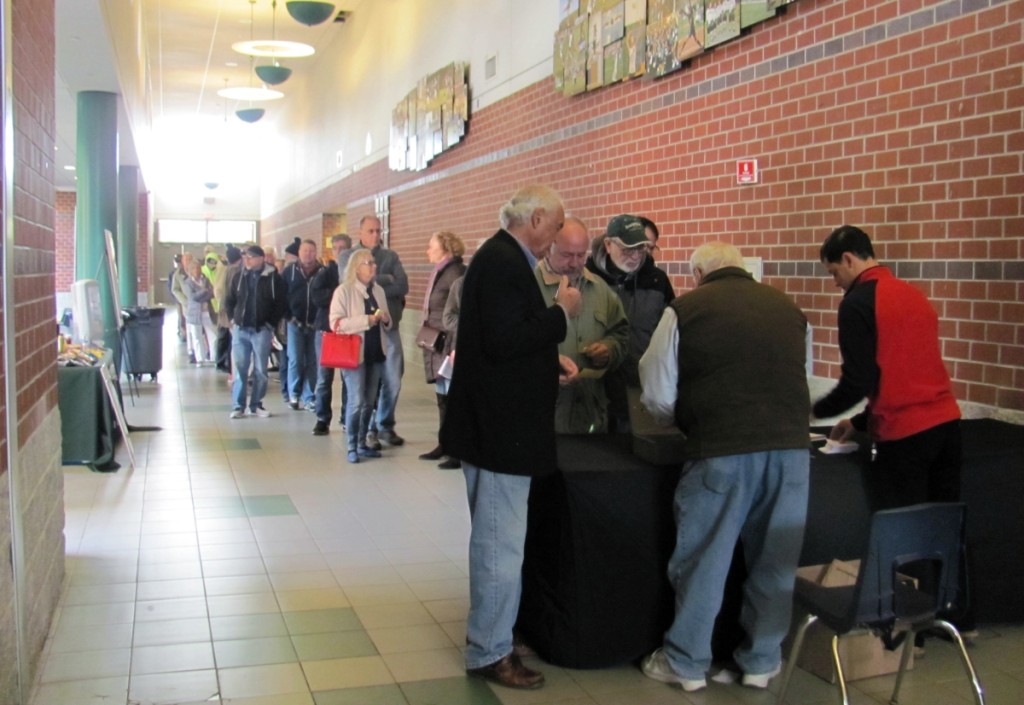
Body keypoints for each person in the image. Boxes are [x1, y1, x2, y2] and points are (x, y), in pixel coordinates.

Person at [638, 241, 809, 693]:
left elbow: (655, 388)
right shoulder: (787, 307)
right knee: (775, 562)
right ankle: (760, 661)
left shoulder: (687, 308)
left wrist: (686, 419)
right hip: (792, 450)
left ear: (698, 273)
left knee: (704, 558)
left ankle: (686, 662)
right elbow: (798, 375)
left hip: (721, 450)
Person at [441, 184, 582, 690]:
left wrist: (550, 359)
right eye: (558, 223)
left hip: (496, 429)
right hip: (500, 434)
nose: (559, 236)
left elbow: (505, 339)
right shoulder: (503, 261)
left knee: (499, 541)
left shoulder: (500, 257)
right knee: (500, 546)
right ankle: (490, 651)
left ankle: (496, 632)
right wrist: (561, 312)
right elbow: (505, 341)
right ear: (537, 217)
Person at [810, 225, 971, 645]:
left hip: (905, 435)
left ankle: (903, 630)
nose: (835, 283)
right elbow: (904, 370)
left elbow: (859, 379)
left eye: (833, 273)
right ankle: (959, 618)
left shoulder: (858, 303)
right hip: (946, 424)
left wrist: (813, 411)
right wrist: (861, 423)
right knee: (943, 524)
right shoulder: (913, 295)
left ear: (848, 259)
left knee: (901, 531)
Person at [534, 216, 629, 433]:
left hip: (590, 415)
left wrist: (609, 349)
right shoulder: (529, 287)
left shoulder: (600, 289)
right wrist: (548, 362)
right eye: (567, 255)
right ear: (548, 249)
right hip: (544, 417)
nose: (575, 263)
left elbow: (621, 333)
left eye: (581, 255)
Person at [586, 214, 674, 431]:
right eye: (627, 249)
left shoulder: (657, 281)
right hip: (592, 391)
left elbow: (670, 336)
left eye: (641, 249)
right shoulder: (586, 279)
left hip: (638, 391)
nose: (635, 256)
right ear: (608, 244)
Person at [329, 249, 392, 463]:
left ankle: (362, 442)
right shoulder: (343, 291)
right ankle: (351, 446)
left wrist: (384, 319)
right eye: (369, 263)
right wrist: (366, 320)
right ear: (357, 267)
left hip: (376, 352)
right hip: (353, 354)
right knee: (356, 401)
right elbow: (336, 324)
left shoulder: (379, 291)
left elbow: (388, 321)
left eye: (374, 263)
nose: (374, 266)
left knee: (369, 402)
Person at [353, 215, 409, 450]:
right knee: (368, 383)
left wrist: (375, 281)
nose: (376, 235)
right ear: (361, 232)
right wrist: (386, 278)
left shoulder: (390, 256)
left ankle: (385, 423)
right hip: (364, 331)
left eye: (378, 231)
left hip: (389, 327)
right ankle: (367, 430)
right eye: (371, 231)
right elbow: (351, 285)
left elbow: (403, 285)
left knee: (393, 378)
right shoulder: (350, 256)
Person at [418, 231, 466, 469]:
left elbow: (459, 312)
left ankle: (456, 449)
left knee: (452, 396)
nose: (428, 250)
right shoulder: (440, 270)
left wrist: (456, 347)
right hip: (437, 342)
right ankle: (444, 443)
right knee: (442, 395)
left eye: (431, 246)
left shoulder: (455, 273)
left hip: (449, 343)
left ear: (445, 248)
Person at [223, 245, 287, 419]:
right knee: (240, 368)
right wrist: (233, 319)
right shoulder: (239, 277)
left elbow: (280, 303)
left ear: (260, 259)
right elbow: (229, 299)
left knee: (260, 370)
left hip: (261, 330)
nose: (247, 260)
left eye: (250, 257)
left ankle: (256, 404)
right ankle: (238, 406)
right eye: (245, 257)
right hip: (241, 329)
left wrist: (270, 323)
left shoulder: (273, 278)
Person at [311, 234, 352, 435]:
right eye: (336, 248)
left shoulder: (353, 273)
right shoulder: (325, 272)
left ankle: (346, 417)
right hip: (326, 329)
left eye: (343, 247)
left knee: (347, 376)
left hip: (346, 331)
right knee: (324, 377)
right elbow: (317, 296)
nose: (339, 251)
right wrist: (338, 295)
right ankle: (322, 418)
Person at [282, 239, 324, 411]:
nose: (308, 254)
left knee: (313, 362)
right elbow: (281, 295)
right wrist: (287, 316)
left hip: (315, 324)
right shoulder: (289, 272)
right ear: (299, 253)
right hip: (295, 323)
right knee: (296, 360)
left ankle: (309, 396)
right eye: (305, 251)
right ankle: (294, 393)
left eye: (312, 251)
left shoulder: (322, 272)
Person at [182, 259, 217, 365]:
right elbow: (192, 297)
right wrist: (204, 291)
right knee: (197, 336)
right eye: (194, 268)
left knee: (213, 336)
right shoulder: (187, 282)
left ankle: (213, 358)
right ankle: (200, 359)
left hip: (207, 311)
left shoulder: (205, 280)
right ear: (190, 270)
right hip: (194, 312)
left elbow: (212, 292)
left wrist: (204, 293)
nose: (196, 270)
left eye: (198, 268)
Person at [213, 245, 242, 373]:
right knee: (234, 341)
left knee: (227, 339)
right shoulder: (235, 271)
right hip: (231, 310)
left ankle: (226, 365)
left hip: (224, 308)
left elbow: (218, 290)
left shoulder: (224, 270)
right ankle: (232, 369)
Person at [171, 251, 196, 363]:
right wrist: (184, 301)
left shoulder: (197, 270)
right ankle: (191, 352)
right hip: (187, 305)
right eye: (186, 260)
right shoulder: (178, 275)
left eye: (190, 259)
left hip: (199, 305)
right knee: (190, 328)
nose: (188, 262)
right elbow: (175, 289)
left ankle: (201, 351)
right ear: (182, 261)